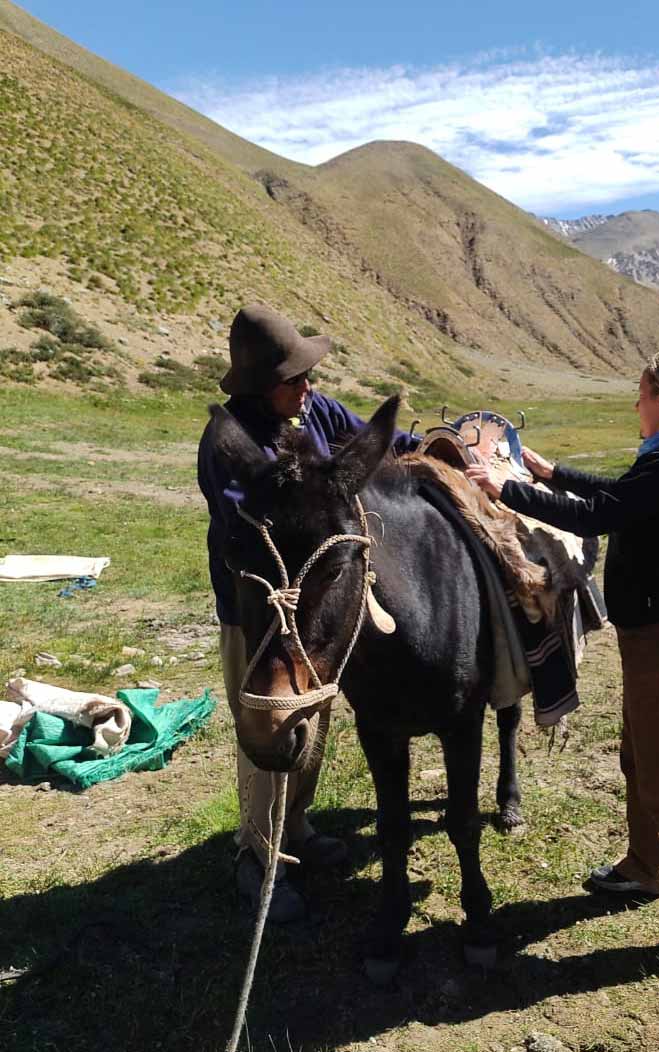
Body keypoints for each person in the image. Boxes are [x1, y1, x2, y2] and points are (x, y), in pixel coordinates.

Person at [465, 348, 659, 963]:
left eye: (642, 394)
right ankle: (649, 866)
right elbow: (621, 495)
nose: (635, 404)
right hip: (655, 634)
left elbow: (601, 514)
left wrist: (508, 487)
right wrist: (549, 472)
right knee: (642, 756)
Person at [198, 304, 419, 923]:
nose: (308, 387)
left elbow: (372, 442)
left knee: (313, 721)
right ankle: (258, 857)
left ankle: (296, 828)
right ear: (261, 388)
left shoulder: (310, 409)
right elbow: (258, 525)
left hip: (315, 609)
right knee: (268, 727)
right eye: (294, 379)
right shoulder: (229, 444)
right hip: (262, 613)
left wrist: (434, 445)